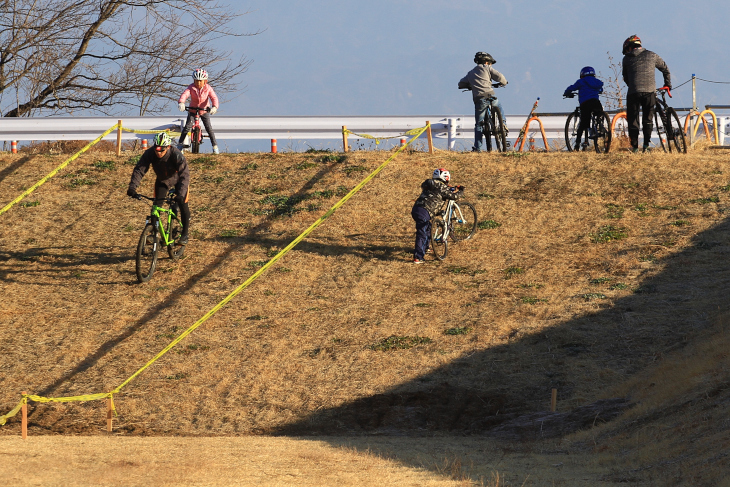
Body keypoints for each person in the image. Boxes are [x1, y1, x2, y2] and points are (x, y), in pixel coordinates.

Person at [127, 132, 191, 245]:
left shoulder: (176, 154)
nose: (158, 153)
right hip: (162, 181)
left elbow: (184, 175)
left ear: (168, 147)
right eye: (156, 150)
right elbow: (139, 170)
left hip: (178, 181)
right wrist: (132, 188)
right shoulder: (150, 153)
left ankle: (185, 234)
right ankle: (154, 234)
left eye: (161, 150)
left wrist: (180, 194)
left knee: (183, 204)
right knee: (156, 208)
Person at [621, 35, 671, 153]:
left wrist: (633, 85)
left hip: (634, 92)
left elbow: (625, 77)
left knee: (633, 119)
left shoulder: (626, 59)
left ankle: (634, 147)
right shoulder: (652, 55)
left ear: (629, 47)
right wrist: (668, 84)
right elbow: (665, 69)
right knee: (648, 119)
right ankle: (646, 145)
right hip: (650, 92)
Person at [458, 51, 508, 152]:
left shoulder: (470, 73)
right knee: (499, 105)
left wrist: (470, 85)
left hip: (480, 100)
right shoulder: (487, 68)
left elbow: (460, 84)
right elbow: (500, 77)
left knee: (479, 125)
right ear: (486, 62)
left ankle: (478, 148)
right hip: (491, 95)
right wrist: (504, 82)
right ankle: (503, 125)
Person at [411, 168, 462, 264]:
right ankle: (418, 257)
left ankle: (425, 248)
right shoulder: (442, 187)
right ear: (446, 179)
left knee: (428, 228)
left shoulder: (430, 184)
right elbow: (454, 196)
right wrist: (461, 191)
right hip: (425, 211)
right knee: (422, 233)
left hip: (417, 208)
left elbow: (434, 195)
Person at [178, 68, 220, 154]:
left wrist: (214, 107)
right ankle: (179, 145)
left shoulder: (208, 88)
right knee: (187, 127)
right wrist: (181, 102)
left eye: (200, 81)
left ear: (205, 81)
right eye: (196, 81)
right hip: (193, 110)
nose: (198, 83)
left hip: (204, 110)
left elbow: (213, 97)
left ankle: (215, 147)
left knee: (209, 128)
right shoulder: (191, 87)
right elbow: (185, 94)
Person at [563, 66, 604, 151]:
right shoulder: (597, 82)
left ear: (582, 74)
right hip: (596, 102)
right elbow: (600, 89)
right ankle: (601, 127)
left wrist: (566, 93)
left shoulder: (581, 82)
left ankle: (577, 145)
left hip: (586, 104)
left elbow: (572, 88)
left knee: (583, 124)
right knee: (598, 115)